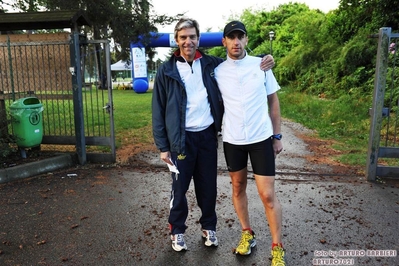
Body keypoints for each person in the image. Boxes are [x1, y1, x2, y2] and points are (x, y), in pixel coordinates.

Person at [152, 17, 275, 252]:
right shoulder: (166, 71)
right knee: (180, 189)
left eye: (192, 37)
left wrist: (264, 59)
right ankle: (177, 231)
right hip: (181, 140)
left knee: (208, 187)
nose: (188, 41)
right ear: (176, 41)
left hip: (207, 136)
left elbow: (237, 61)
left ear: (198, 39)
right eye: (183, 37)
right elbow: (157, 110)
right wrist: (163, 146)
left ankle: (209, 227)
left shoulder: (211, 64)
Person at [214, 21, 285, 265]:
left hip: (261, 138)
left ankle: (277, 246)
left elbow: (273, 102)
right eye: (230, 37)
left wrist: (277, 136)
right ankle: (247, 234)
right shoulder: (218, 70)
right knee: (237, 188)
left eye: (240, 37)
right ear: (224, 41)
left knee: (267, 195)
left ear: (246, 40)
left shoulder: (262, 65)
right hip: (233, 139)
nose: (235, 42)